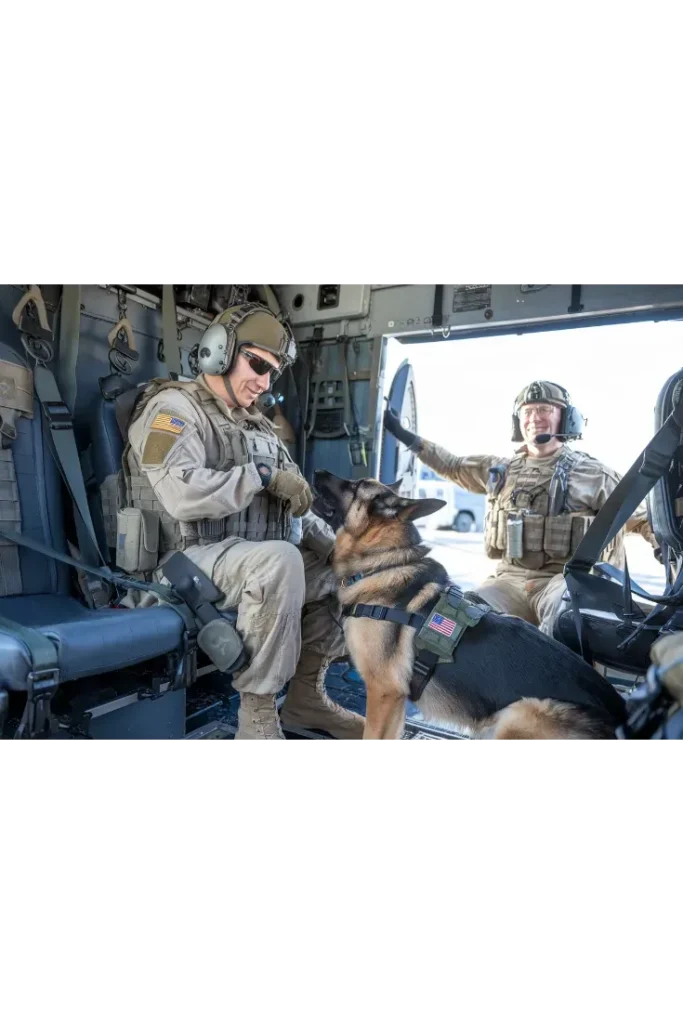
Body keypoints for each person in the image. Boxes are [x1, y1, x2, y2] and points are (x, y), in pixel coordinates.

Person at [120, 301, 364, 743]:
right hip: (183, 561)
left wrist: (340, 550)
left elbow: (299, 509)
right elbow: (182, 494)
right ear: (220, 351)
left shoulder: (259, 427)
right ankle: (257, 721)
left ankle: (307, 698)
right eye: (256, 364)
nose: (265, 382)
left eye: (273, 372)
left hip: (247, 560)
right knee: (280, 561)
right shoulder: (172, 409)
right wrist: (262, 476)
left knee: (338, 567)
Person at [383, 379, 658, 637]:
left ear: (566, 417)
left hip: (563, 582)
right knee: (447, 624)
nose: (534, 418)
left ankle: (552, 687)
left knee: (567, 621)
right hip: (508, 582)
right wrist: (405, 436)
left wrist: (666, 549)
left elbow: (643, 519)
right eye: (527, 412)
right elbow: (452, 465)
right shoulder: (500, 471)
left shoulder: (596, 475)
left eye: (544, 409)